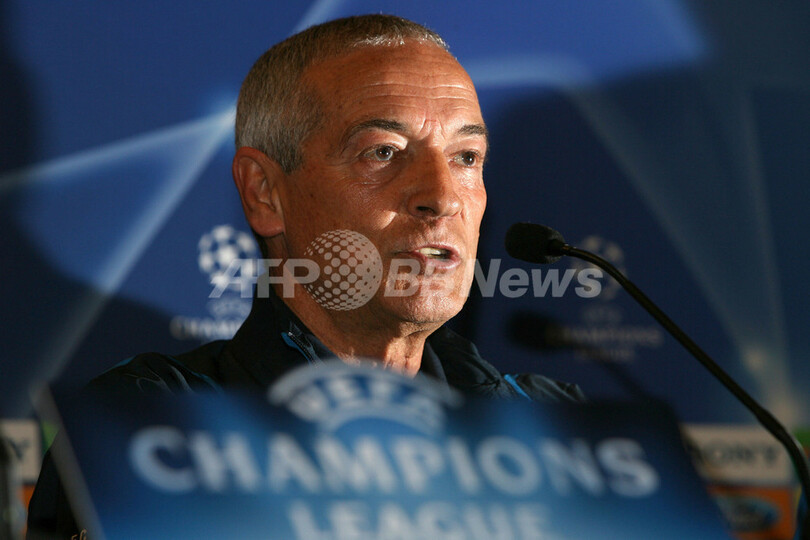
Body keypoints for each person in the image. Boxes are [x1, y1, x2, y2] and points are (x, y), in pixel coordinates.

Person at [26, 14, 584, 538]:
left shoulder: (554, 427)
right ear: (264, 194)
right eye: (383, 151)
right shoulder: (159, 425)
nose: (442, 197)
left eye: (466, 157)